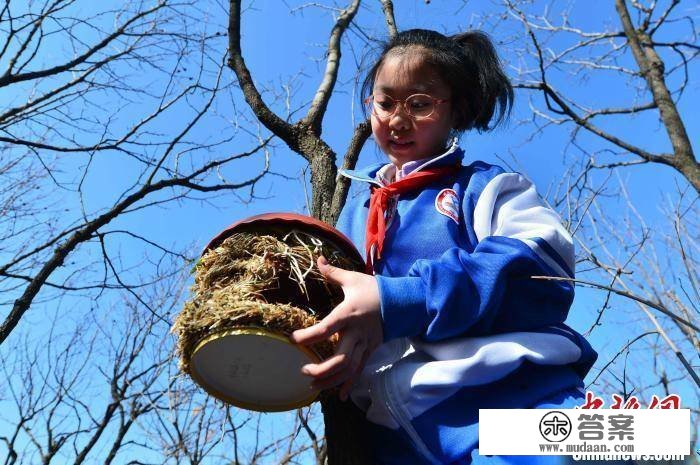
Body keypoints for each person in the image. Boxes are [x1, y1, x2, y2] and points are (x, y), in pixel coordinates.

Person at [290, 29, 598, 465]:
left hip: (518, 405)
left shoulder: (486, 188)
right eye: (385, 102)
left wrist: (398, 300)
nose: (397, 120)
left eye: (420, 104)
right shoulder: (355, 212)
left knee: (658, 443)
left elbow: (540, 268)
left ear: (457, 110)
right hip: (396, 440)